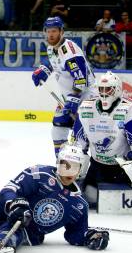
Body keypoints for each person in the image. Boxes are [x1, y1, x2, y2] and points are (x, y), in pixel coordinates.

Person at [32, 16, 97, 157]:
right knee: (58, 127)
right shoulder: (51, 48)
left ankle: (78, 167)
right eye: (48, 31)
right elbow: (54, 62)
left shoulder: (70, 51)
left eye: (54, 31)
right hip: (69, 97)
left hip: (87, 97)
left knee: (80, 137)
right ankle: (61, 161)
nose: (50, 34)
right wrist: (43, 71)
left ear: (62, 32)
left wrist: (74, 99)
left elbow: (81, 80)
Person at [72, 71, 132, 205]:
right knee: (90, 199)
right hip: (97, 167)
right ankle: (77, 185)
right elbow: (79, 145)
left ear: (117, 89)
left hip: (121, 168)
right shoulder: (85, 109)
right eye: (101, 89)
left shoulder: (129, 110)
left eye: (108, 89)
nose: (104, 93)